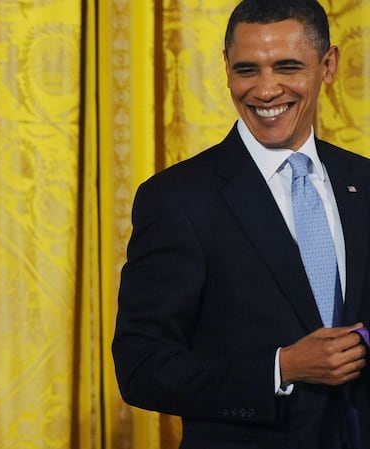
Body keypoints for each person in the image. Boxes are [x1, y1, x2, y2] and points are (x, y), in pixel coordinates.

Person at [112, 1, 370, 448]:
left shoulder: (364, 181)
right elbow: (141, 368)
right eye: (247, 70)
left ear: (328, 65)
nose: (266, 90)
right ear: (226, 68)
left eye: (287, 67)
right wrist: (281, 367)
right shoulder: (177, 198)